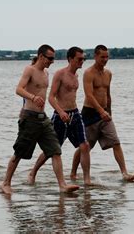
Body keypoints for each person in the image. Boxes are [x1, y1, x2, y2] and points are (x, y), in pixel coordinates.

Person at [1, 44, 80, 195]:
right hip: (29, 118)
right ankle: (6, 183)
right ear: (41, 56)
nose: (52, 61)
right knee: (19, 152)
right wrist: (32, 97)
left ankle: (62, 185)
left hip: (43, 119)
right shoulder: (30, 70)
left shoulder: (46, 74)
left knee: (55, 150)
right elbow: (19, 89)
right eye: (50, 58)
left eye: (54, 59)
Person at [71, 45, 134, 182]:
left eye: (107, 56)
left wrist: (109, 112)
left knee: (116, 142)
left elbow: (108, 95)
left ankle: (125, 173)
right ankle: (73, 172)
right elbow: (89, 95)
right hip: (90, 114)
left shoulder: (108, 73)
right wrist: (101, 111)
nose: (105, 59)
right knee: (86, 147)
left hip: (105, 114)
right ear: (95, 56)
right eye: (102, 57)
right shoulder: (89, 73)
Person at [28, 47, 92, 185]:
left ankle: (87, 179)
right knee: (51, 149)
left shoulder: (76, 76)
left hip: (75, 114)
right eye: (79, 59)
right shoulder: (60, 74)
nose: (82, 61)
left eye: (83, 59)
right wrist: (61, 112)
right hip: (60, 115)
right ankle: (33, 172)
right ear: (70, 59)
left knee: (85, 145)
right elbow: (51, 97)